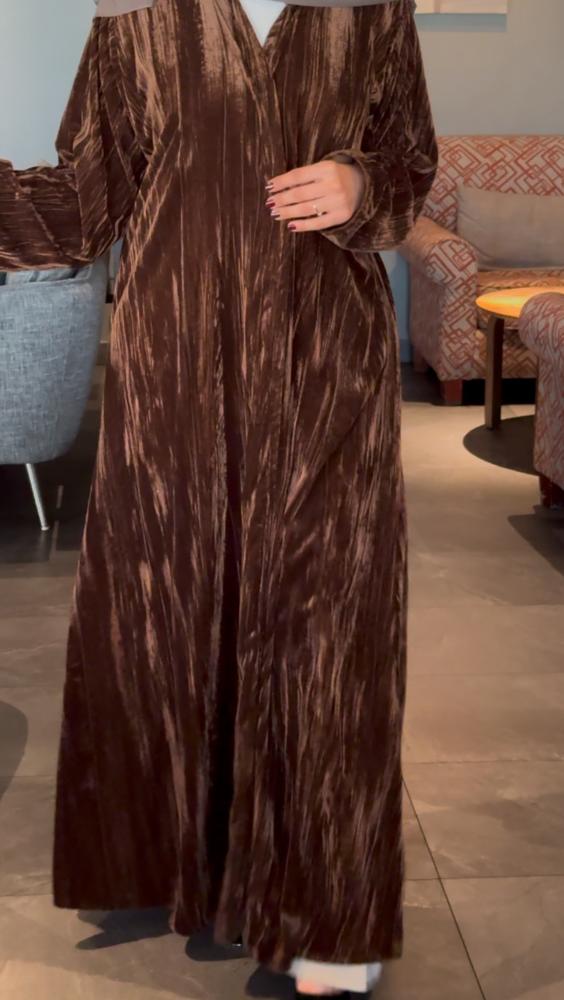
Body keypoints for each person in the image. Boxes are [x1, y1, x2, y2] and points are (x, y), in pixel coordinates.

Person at [0, 0, 438, 995]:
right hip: (175, 372)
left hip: (323, 364)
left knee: (326, 624)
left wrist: (361, 182)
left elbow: (410, 155)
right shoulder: (133, 14)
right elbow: (85, 199)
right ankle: (183, 855)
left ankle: (328, 917)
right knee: (170, 608)